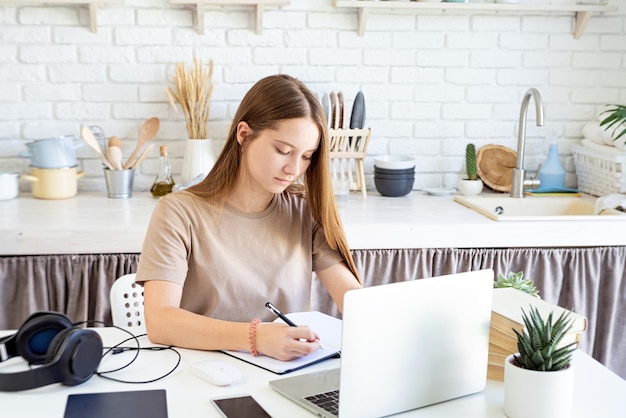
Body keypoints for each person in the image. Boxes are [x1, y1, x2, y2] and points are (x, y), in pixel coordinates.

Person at [136, 74, 361, 361]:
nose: (294, 168)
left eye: (306, 156)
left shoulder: (305, 211)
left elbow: (354, 300)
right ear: (243, 134)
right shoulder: (178, 212)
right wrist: (258, 337)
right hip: (201, 374)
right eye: (283, 150)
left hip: (285, 375)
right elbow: (161, 323)